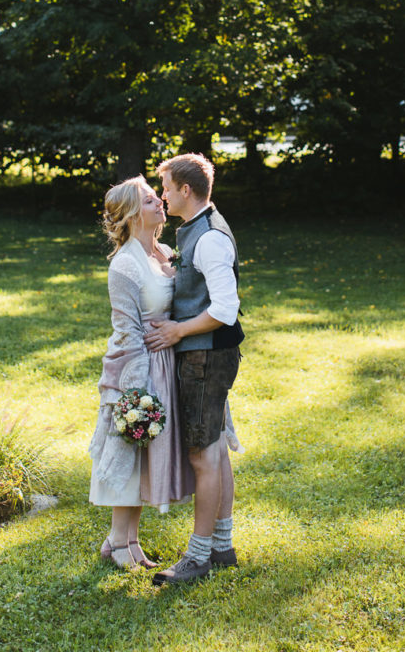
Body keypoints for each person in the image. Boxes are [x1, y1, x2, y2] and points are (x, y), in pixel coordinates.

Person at [145, 153, 244, 585]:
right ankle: (222, 547)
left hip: (207, 356)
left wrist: (177, 332)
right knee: (215, 449)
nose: (162, 195)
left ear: (186, 190)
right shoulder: (195, 232)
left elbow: (225, 309)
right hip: (208, 355)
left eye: (165, 187)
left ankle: (198, 557)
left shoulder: (210, 239)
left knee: (202, 456)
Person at [88, 176, 195, 569]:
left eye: (157, 198)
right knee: (131, 452)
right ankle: (119, 542)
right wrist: (137, 391)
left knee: (146, 456)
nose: (160, 203)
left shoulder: (166, 252)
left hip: (167, 364)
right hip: (137, 367)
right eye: (151, 200)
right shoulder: (124, 265)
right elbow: (127, 330)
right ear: (133, 214)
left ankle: (129, 540)